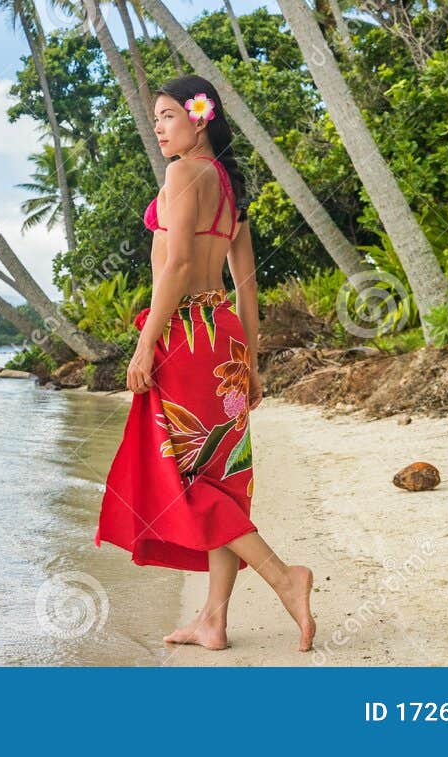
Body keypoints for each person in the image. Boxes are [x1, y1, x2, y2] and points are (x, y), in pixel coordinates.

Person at [94, 74, 316, 652]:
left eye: (168, 115)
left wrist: (146, 345)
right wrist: (254, 360)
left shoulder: (182, 173)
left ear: (201, 118)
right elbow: (246, 281)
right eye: (158, 116)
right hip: (226, 340)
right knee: (221, 476)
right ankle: (213, 620)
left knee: (184, 480)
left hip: (186, 336)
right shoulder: (228, 186)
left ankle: (284, 578)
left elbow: (175, 266)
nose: (159, 127)